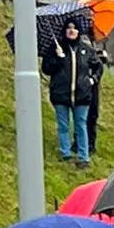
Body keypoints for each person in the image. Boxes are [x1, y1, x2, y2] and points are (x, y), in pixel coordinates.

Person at [41, 19, 98, 166]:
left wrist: (92, 80)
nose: (71, 31)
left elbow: (98, 66)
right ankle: (65, 153)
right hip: (61, 94)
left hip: (82, 94)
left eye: (74, 28)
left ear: (79, 31)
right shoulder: (55, 48)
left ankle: (83, 156)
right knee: (63, 125)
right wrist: (58, 59)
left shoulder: (86, 50)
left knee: (81, 125)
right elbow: (46, 68)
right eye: (68, 28)